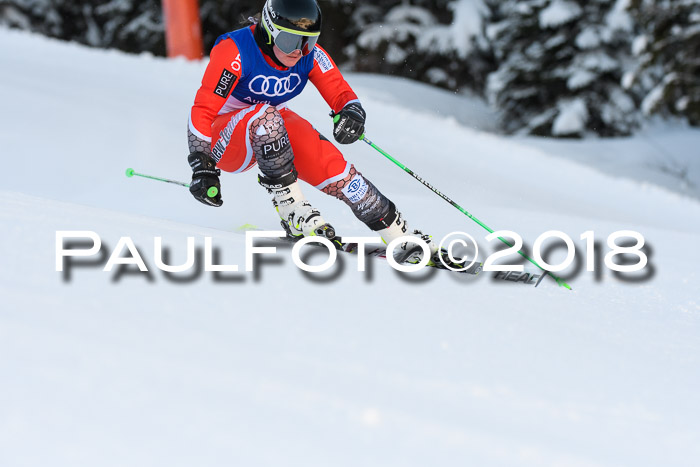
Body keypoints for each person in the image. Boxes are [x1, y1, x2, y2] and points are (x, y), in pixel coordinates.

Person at [186, 0, 448, 265]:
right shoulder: (236, 50)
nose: (299, 51)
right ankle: (292, 210)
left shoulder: (310, 55)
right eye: (290, 41)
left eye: (307, 42)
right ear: (268, 30)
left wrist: (351, 113)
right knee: (267, 115)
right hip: (224, 140)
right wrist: (202, 164)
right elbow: (203, 110)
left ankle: (397, 234)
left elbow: (340, 92)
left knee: (334, 167)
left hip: (271, 131)